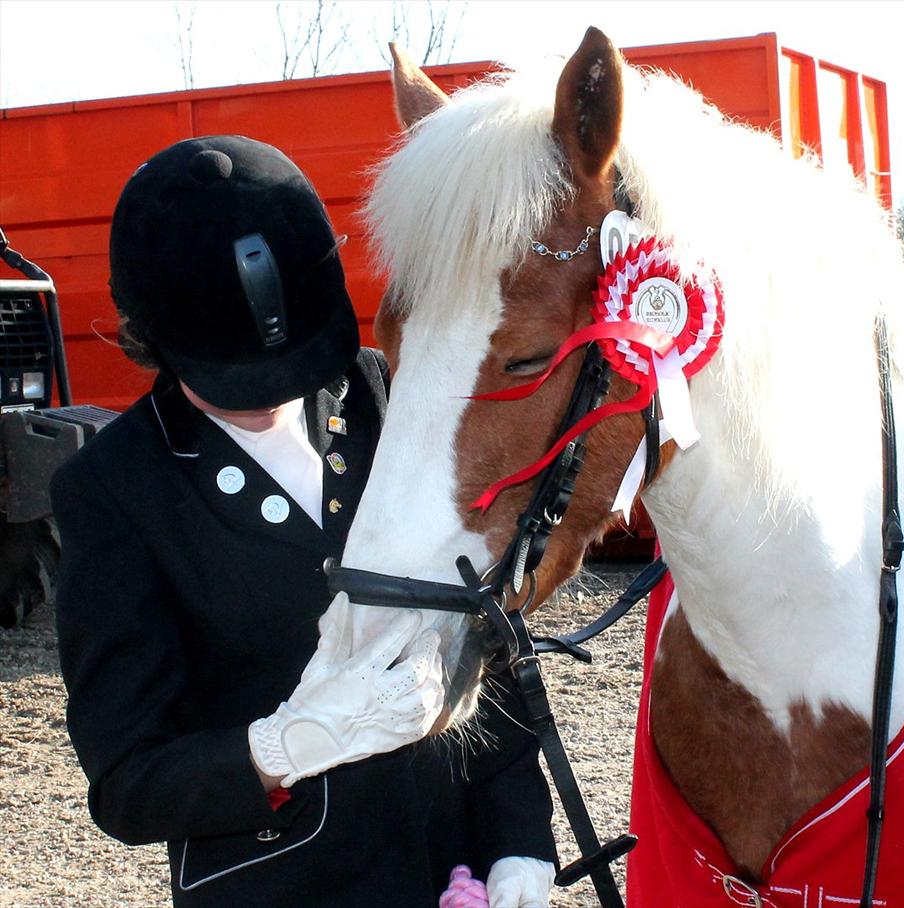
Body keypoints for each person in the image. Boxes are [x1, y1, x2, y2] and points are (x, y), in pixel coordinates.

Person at [52, 135, 557, 907]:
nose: (273, 396)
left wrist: (518, 837)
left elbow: (479, 632)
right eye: (237, 379)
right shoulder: (113, 488)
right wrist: (279, 749)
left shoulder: (380, 396)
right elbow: (127, 782)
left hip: (454, 874)